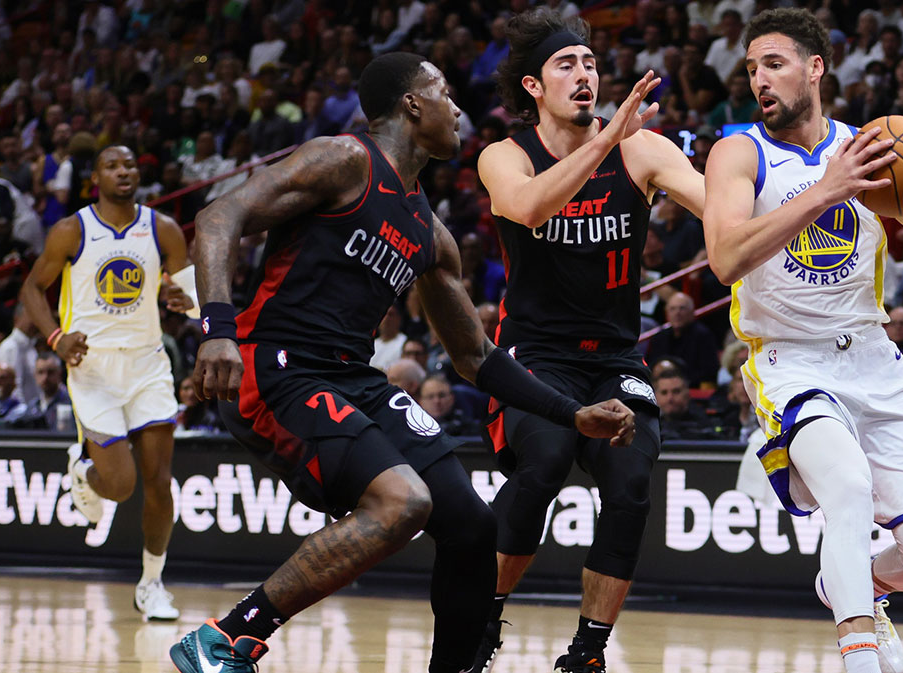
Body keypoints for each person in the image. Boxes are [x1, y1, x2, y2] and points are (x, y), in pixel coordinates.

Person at [172, 53, 635, 673]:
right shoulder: (343, 159)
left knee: (472, 526)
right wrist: (217, 331)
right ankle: (229, 636)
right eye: (446, 93)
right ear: (413, 104)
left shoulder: (431, 234)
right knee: (403, 503)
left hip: (352, 378)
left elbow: (476, 358)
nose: (461, 110)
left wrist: (571, 413)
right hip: (274, 366)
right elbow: (217, 217)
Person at [702, 9, 903, 673]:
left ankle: (854, 583)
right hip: (790, 361)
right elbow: (725, 257)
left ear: (815, 67)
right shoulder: (740, 152)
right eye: (752, 69)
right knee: (847, 488)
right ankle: (857, 655)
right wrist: (827, 190)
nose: (760, 79)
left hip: (874, 357)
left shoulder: (874, 147)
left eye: (774, 63)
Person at [474, 8, 705, 672]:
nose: (584, 75)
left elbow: (716, 206)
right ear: (532, 87)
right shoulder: (504, 156)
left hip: (613, 358)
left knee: (633, 479)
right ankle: (483, 615)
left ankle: (589, 649)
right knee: (543, 459)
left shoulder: (643, 148)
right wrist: (605, 142)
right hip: (533, 356)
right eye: (565, 65)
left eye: (591, 63)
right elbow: (529, 208)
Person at [18, 144, 194, 621]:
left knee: (159, 483)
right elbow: (32, 288)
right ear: (95, 177)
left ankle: (152, 584)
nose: (124, 171)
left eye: (131, 164)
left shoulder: (164, 229)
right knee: (119, 486)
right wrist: (55, 337)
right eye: (113, 165)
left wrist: (182, 299)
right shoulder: (72, 230)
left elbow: (192, 297)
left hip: (148, 366)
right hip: (92, 368)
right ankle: (85, 471)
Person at [646, 292, 720, 388]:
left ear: (692, 312)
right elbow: (651, 366)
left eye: (682, 308)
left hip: (692, 389)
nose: (677, 313)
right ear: (667, 313)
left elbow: (709, 371)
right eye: (672, 309)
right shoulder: (659, 337)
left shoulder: (703, 335)